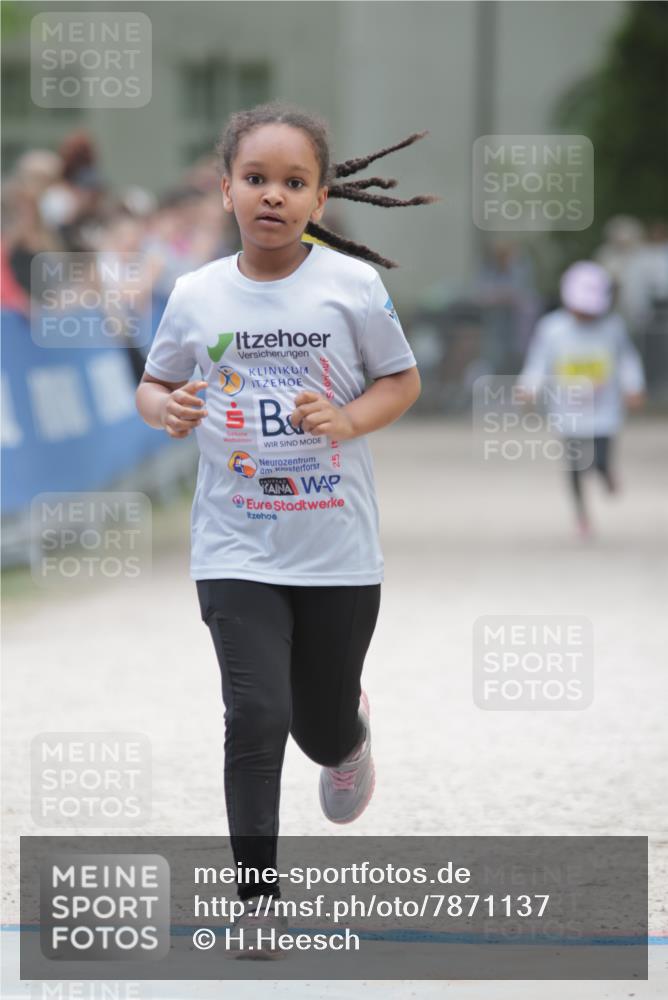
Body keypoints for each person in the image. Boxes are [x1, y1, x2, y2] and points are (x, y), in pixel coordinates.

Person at [135, 100, 436, 957]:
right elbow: (153, 386)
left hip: (336, 545)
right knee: (256, 713)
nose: (273, 194)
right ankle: (256, 902)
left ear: (321, 197)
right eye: (256, 178)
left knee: (316, 726)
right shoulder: (196, 294)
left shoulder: (352, 287)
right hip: (235, 543)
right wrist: (171, 408)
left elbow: (400, 383)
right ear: (226, 190)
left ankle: (348, 737)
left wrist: (345, 421)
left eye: (292, 182)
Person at [516, 261, 646, 539]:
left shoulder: (612, 328)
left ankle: (606, 472)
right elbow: (539, 361)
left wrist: (633, 387)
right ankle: (582, 516)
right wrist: (529, 387)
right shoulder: (552, 329)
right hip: (568, 409)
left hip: (604, 408)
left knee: (599, 459)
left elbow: (627, 360)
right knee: (575, 464)